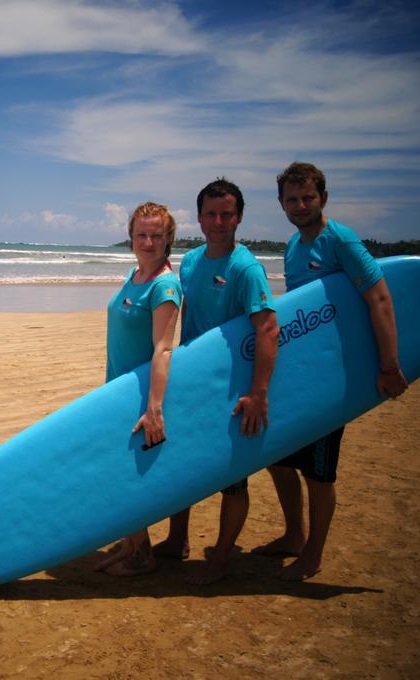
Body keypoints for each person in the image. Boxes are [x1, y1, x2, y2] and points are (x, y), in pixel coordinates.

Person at [252, 161, 409, 580]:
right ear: (281, 203)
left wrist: (389, 365)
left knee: (319, 473)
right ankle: (293, 536)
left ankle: (313, 554)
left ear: (323, 197)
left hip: (335, 377)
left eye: (308, 197)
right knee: (278, 458)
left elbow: (379, 299)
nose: (300, 205)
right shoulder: (292, 246)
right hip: (303, 372)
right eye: (292, 199)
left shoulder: (340, 240)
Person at [149, 178, 279, 584]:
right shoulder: (190, 262)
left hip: (232, 387)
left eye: (226, 214)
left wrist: (258, 394)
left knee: (232, 476)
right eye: (211, 213)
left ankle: (221, 558)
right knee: (182, 465)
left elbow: (268, 329)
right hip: (192, 382)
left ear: (238, 216)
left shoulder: (246, 268)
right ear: (200, 217)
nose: (218, 221)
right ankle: (177, 540)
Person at [93, 202, 183, 576]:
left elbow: (164, 348)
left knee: (128, 476)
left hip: (139, 396)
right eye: (141, 235)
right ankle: (130, 544)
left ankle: (141, 554)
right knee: (120, 470)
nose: (148, 242)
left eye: (156, 235)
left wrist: (155, 407)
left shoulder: (164, 285)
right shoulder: (136, 275)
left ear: (168, 239)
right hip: (117, 390)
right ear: (131, 238)